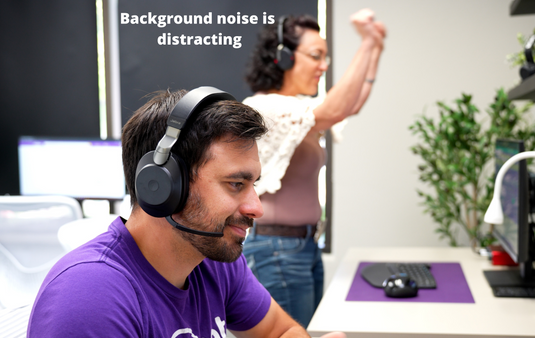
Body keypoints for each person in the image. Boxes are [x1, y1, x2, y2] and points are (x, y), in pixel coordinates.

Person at [27, 87, 345, 338]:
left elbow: (280, 331)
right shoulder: (90, 295)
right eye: (236, 184)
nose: (256, 208)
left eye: (253, 185)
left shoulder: (212, 259)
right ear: (163, 185)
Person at [242, 9, 386, 327]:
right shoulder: (263, 108)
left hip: (301, 247)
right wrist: (365, 43)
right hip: (276, 250)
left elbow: (352, 104)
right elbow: (335, 108)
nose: (323, 65)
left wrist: (375, 47)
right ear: (284, 57)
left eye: (326, 58)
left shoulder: (300, 112)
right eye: (316, 56)